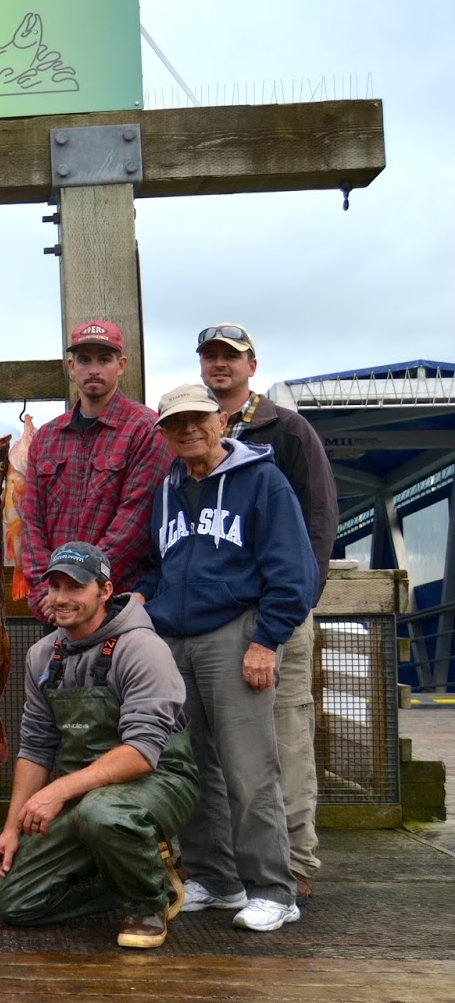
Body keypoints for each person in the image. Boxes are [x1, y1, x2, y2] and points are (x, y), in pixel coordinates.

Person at [134, 383, 316, 933]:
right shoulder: (165, 489)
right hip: (175, 640)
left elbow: (293, 569)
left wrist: (267, 639)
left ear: (220, 421)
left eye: (198, 419)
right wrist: (143, 598)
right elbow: (157, 563)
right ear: (163, 434)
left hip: (236, 634)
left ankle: (273, 889)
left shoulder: (262, 480)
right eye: (174, 423)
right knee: (195, 768)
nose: (187, 430)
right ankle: (217, 880)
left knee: (249, 768)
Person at [0, 542, 199, 949]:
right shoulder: (41, 656)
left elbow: (141, 752)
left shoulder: (142, 649)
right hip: (84, 793)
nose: (62, 599)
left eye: (76, 588)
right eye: (55, 587)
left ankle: (146, 903)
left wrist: (58, 791)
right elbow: (35, 745)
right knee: (14, 903)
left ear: (104, 591)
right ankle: (134, 871)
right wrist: (11, 828)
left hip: (160, 781)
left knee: (101, 813)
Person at [198, 322, 337, 904]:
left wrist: (291, 607)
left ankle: (296, 864)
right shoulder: (190, 430)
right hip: (217, 622)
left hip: (274, 617)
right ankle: (228, 872)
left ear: (252, 364)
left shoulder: (288, 428)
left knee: (285, 740)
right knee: (222, 750)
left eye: (231, 356)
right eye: (210, 357)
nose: (219, 366)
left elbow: (320, 521)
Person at [20, 319, 172, 624]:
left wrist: (81, 589)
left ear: (121, 365)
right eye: (85, 360)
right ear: (71, 366)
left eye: (104, 359)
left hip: (114, 606)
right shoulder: (47, 437)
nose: (94, 369)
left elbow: (134, 526)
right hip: (57, 609)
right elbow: (31, 524)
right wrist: (46, 592)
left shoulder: (146, 429)